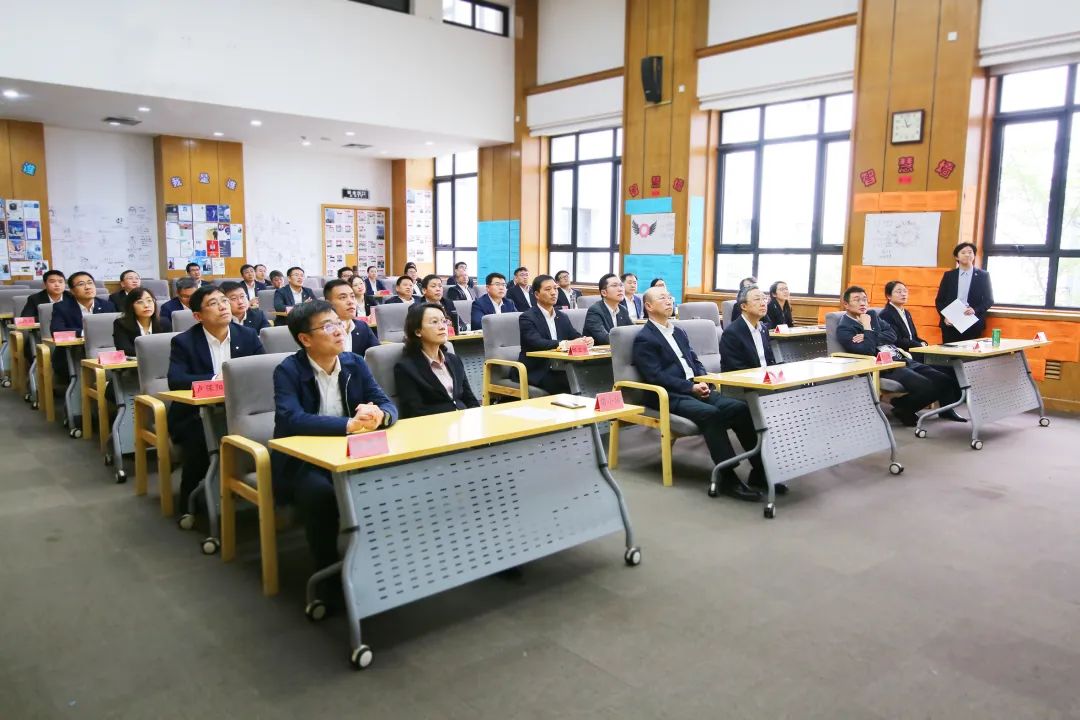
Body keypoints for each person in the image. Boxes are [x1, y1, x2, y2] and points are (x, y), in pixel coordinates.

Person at [272, 300, 397, 570]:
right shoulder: (288, 370)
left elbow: (386, 404)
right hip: (303, 461)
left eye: (338, 323)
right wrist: (348, 425)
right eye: (328, 327)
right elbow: (291, 419)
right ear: (305, 339)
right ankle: (328, 570)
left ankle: (381, 562)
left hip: (351, 454)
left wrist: (380, 416)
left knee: (391, 480)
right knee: (321, 495)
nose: (340, 330)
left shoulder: (355, 363)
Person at [634, 287, 763, 501]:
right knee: (710, 414)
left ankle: (759, 471)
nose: (668, 301)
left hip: (695, 388)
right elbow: (655, 376)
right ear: (648, 306)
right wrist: (689, 387)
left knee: (740, 408)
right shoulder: (645, 338)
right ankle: (727, 477)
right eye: (662, 298)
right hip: (670, 395)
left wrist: (702, 379)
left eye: (669, 297)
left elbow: (694, 360)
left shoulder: (678, 331)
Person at [167, 285, 264, 516]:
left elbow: (262, 372)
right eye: (213, 303)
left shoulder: (247, 335)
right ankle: (188, 502)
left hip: (240, 412)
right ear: (198, 316)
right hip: (195, 415)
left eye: (224, 300)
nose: (223, 306)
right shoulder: (184, 341)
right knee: (200, 441)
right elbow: (176, 380)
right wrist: (215, 379)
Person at [837, 286, 965, 426]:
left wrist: (869, 335)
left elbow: (892, 335)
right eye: (857, 300)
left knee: (945, 379)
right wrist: (867, 328)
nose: (862, 303)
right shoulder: (844, 328)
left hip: (900, 358)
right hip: (883, 367)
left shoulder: (872, 315)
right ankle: (903, 409)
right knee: (926, 386)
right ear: (846, 304)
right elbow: (866, 350)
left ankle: (940, 410)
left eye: (864, 299)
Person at [394, 302, 480, 418]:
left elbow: (470, 399)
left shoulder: (454, 360)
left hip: (464, 421)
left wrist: (478, 418)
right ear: (418, 331)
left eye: (444, 321)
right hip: (434, 425)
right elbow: (414, 411)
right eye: (434, 322)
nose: (442, 327)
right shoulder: (406, 368)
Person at [517, 274, 592, 395]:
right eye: (548, 289)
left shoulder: (562, 316)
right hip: (537, 369)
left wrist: (585, 340)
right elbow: (536, 342)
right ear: (537, 294)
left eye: (555, 288)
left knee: (590, 377)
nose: (553, 293)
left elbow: (574, 335)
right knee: (570, 384)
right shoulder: (527, 317)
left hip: (561, 367)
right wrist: (565, 344)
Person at [935, 241, 994, 343]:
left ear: (974, 255)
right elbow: (940, 300)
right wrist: (945, 316)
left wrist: (975, 310)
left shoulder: (983, 276)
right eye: (963, 252)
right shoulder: (949, 275)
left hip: (972, 321)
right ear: (956, 257)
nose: (967, 255)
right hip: (951, 322)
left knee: (970, 352)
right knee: (949, 352)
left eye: (970, 252)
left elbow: (989, 300)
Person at [720, 287, 777, 372]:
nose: (763, 303)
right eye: (757, 299)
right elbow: (735, 368)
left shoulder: (763, 329)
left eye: (764, 299)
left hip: (766, 377)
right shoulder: (732, 333)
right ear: (744, 306)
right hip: (746, 378)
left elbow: (770, 360)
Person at [324, 279, 379, 356]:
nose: (350, 301)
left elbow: (378, 354)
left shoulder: (362, 326)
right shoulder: (324, 331)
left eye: (352, 296)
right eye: (343, 297)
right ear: (328, 303)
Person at [51, 271, 117, 336]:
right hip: (75, 343)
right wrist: (85, 333)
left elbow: (115, 328)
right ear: (72, 291)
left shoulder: (107, 306)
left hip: (103, 342)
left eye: (90, 283)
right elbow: (57, 331)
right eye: (81, 284)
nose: (88, 287)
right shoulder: (61, 307)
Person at [880, 280, 930, 351]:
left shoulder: (906, 313)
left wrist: (923, 342)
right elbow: (897, 340)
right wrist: (918, 345)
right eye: (899, 292)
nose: (903, 294)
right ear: (889, 296)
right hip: (900, 351)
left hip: (912, 348)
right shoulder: (886, 314)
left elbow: (913, 337)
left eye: (905, 291)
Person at [583, 273, 631, 345]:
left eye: (621, 285)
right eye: (614, 285)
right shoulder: (595, 311)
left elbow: (632, 331)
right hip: (600, 351)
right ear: (604, 293)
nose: (620, 289)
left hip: (619, 349)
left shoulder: (623, 310)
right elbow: (604, 339)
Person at [113, 287, 161, 357]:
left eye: (149, 300)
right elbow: (124, 349)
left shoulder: (164, 323)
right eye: (140, 302)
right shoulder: (121, 324)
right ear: (131, 306)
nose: (146, 305)